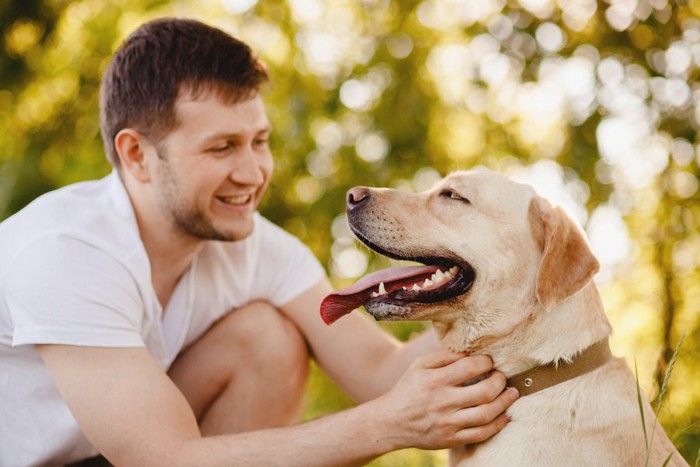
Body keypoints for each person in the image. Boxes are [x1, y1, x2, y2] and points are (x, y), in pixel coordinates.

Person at [0, 17, 518, 466]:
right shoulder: (65, 251)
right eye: (222, 147)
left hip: (117, 455)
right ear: (136, 155)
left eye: (259, 141)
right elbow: (161, 457)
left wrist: (507, 279)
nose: (252, 173)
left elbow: (380, 372)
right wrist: (387, 426)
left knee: (267, 339)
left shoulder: (253, 247)